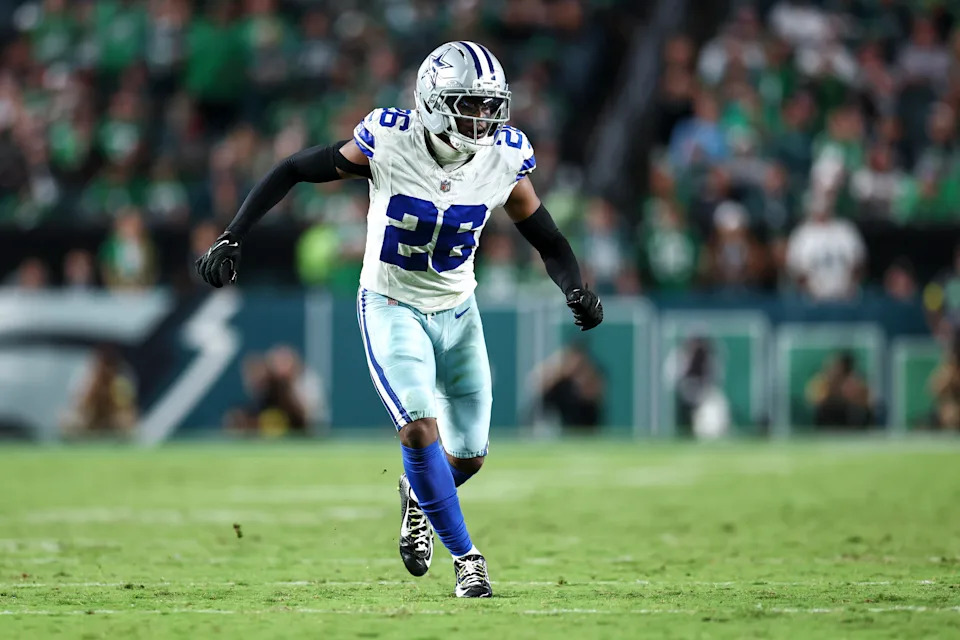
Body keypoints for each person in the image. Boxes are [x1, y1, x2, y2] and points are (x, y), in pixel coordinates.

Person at [195, 41, 604, 598]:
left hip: (459, 311)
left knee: (469, 456)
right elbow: (293, 168)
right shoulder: (390, 140)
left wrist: (574, 285)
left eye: (490, 106)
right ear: (434, 103)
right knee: (417, 426)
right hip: (391, 302)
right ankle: (468, 560)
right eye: (469, 104)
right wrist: (232, 233)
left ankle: (417, 496)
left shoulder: (504, 156)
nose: (483, 118)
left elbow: (548, 237)